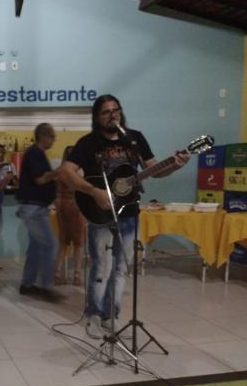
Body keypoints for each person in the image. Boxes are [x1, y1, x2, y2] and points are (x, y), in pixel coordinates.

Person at [59, 94, 189, 339]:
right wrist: (93, 191)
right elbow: (66, 172)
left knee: (121, 269)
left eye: (116, 110)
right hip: (100, 212)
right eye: (106, 112)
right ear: (97, 118)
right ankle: (93, 316)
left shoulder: (135, 139)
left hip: (129, 212)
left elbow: (155, 168)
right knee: (101, 267)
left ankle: (112, 315)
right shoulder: (88, 142)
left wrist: (175, 164)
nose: (113, 115)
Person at [16, 123, 60, 295]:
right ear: (44, 136)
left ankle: (27, 284)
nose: (54, 140)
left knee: (35, 246)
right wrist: (58, 172)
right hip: (34, 208)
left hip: (35, 207)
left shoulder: (37, 153)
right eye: (53, 137)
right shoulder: (35, 153)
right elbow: (40, 180)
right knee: (50, 245)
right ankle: (46, 287)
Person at [54, 145, 87, 286]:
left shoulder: (59, 171)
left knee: (63, 241)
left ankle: (57, 272)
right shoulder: (77, 172)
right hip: (75, 205)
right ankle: (77, 275)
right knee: (78, 243)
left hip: (60, 206)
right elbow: (83, 189)